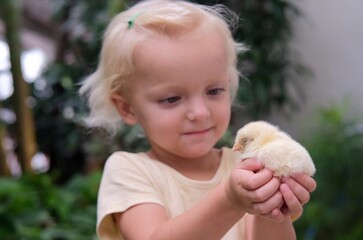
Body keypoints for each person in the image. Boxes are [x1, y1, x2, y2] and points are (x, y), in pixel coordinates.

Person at [79, 0, 317, 239]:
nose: (201, 112)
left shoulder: (245, 166)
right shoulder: (130, 171)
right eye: (172, 99)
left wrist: (273, 209)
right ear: (127, 108)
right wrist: (229, 201)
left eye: (213, 91)